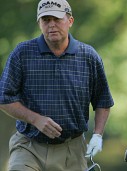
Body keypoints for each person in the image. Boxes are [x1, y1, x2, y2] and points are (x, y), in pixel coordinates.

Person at [0, 0, 114, 170]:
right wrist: (36, 119)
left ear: (70, 21)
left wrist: (97, 135)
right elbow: (4, 98)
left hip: (72, 150)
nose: (51, 25)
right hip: (29, 146)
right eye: (46, 20)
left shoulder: (89, 56)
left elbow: (103, 101)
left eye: (57, 19)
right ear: (39, 23)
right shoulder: (22, 53)